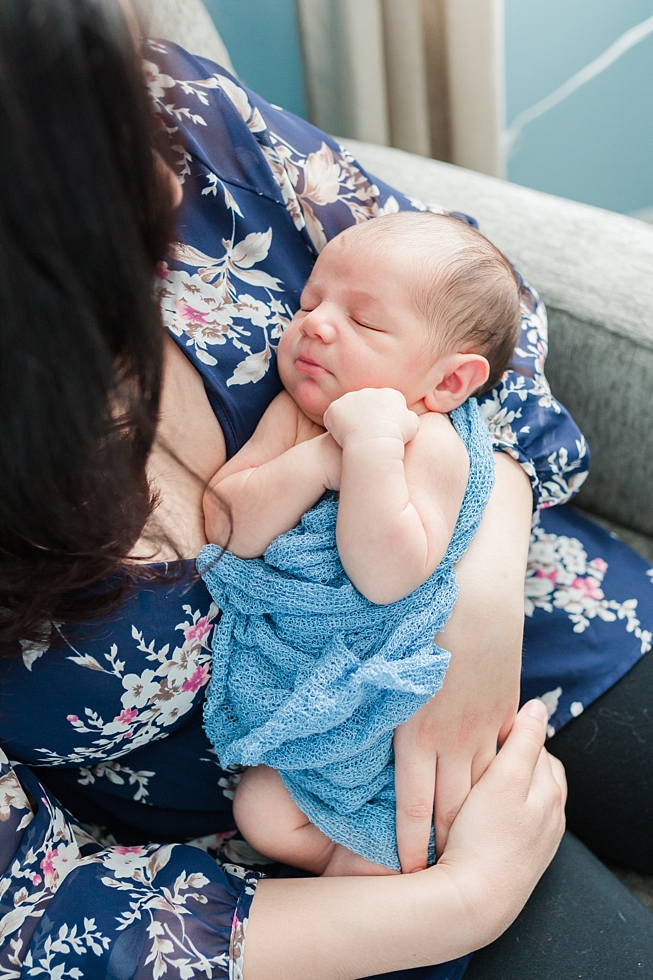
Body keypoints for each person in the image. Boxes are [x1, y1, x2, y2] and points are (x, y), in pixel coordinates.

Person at [0, 2, 651, 978]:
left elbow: (475, 296)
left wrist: (476, 592)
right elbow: (37, 917)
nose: (176, 171)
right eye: (124, 148)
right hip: (292, 808)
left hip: (523, 609)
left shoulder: (166, 99)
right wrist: (456, 902)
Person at [200, 211, 520, 875]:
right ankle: (353, 868)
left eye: (364, 321)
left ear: (448, 383)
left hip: (383, 694)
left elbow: (386, 577)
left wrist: (371, 448)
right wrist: (319, 461)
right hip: (308, 683)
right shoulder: (295, 416)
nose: (314, 324)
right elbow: (227, 523)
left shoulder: (431, 441)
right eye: (310, 302)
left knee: (425, 806)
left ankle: (388, 865)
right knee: (259, 812)